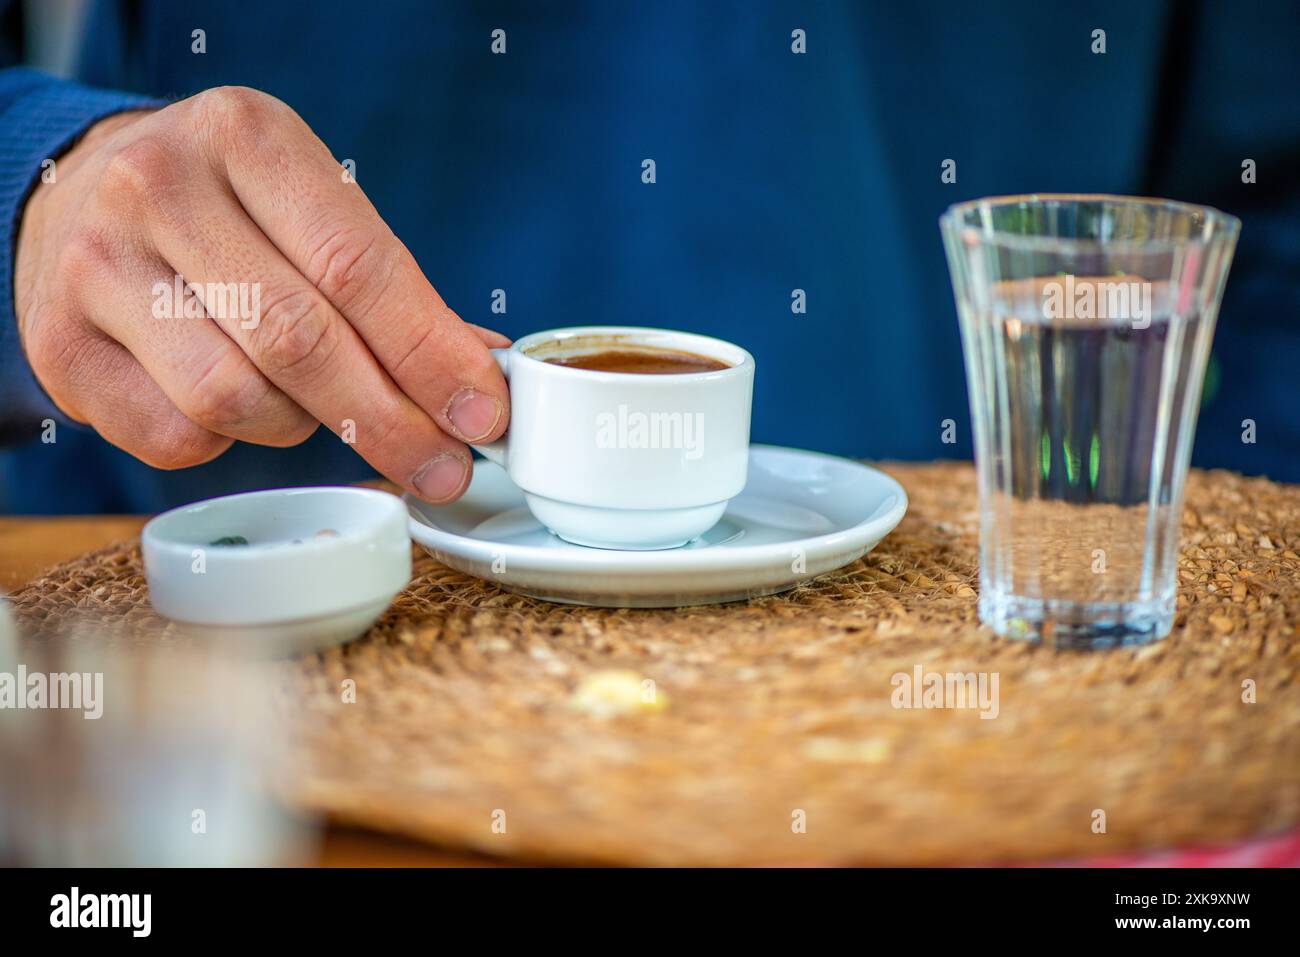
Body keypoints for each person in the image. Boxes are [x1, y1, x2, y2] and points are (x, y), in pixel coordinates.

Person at [2, 1, 1297, 514]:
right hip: (211, 680)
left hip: (964, 739)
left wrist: (1180, 667)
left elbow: (1272, 222)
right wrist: (35, 187)